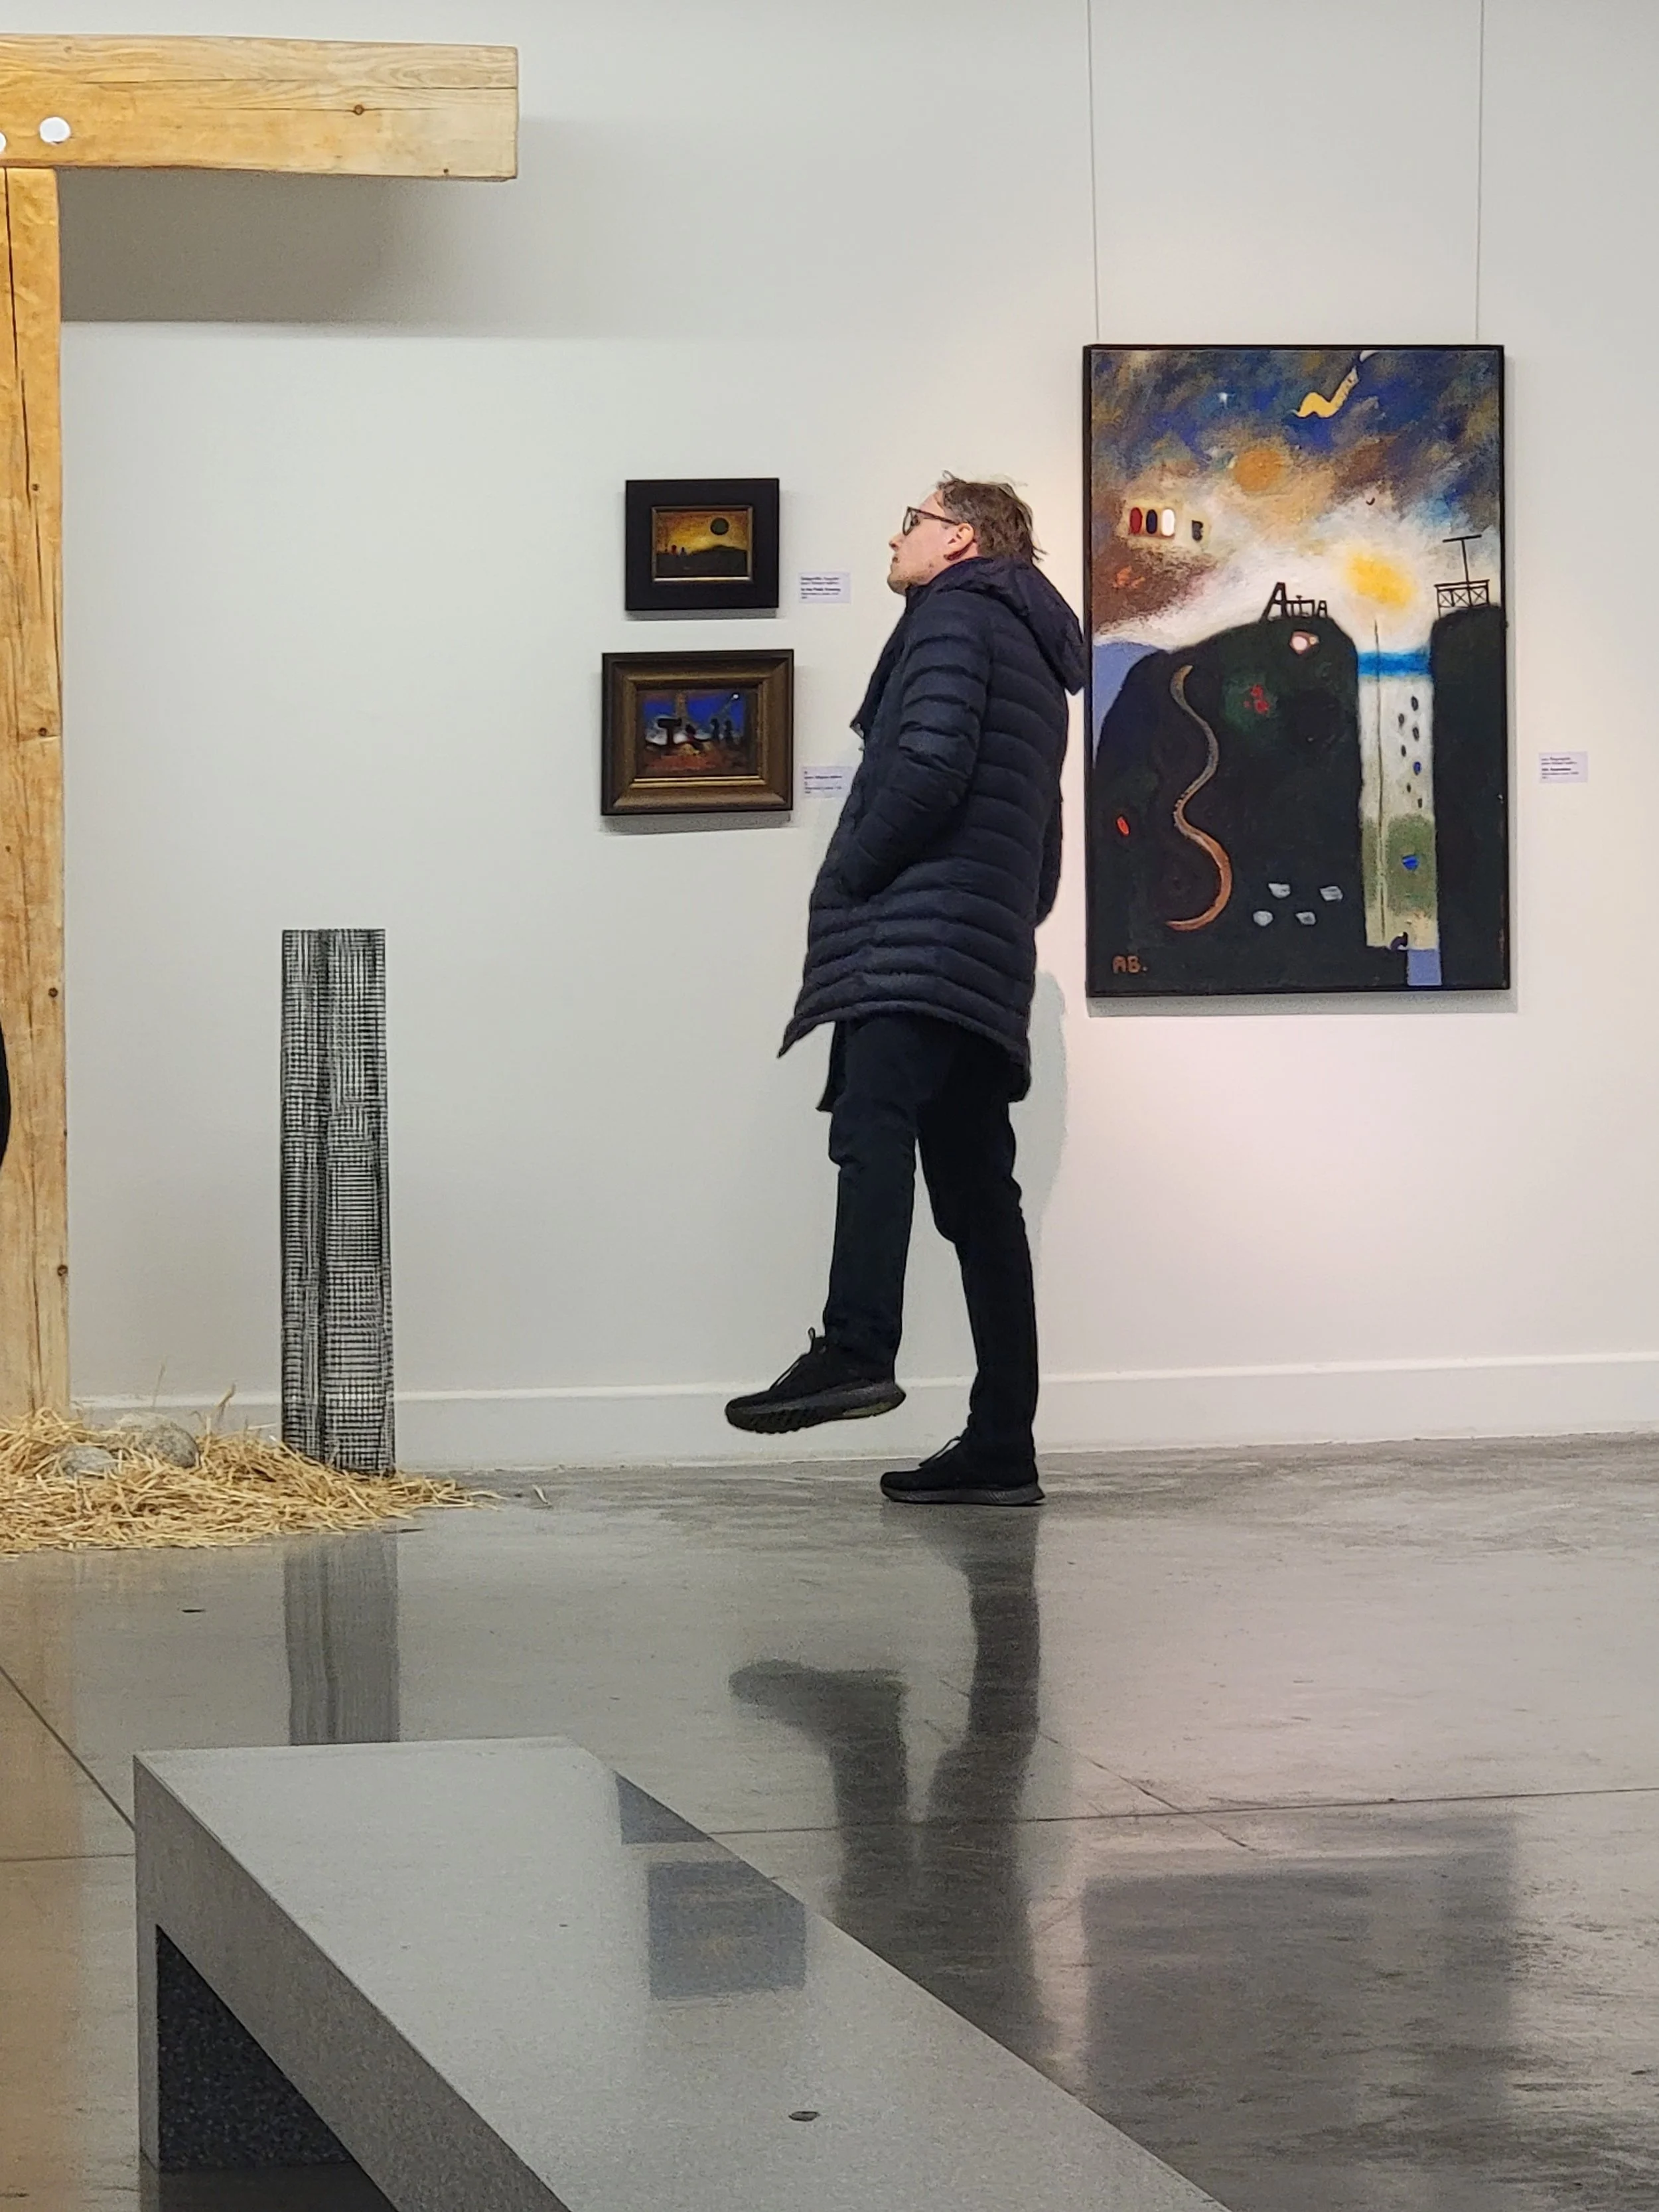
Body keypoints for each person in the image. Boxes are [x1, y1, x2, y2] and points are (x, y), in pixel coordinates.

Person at [725, 476, 1084, 1505]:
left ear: (960, 538)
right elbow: (1046, 849)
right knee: (980, 1200)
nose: (895, 537)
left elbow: (924, 767)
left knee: (871, 1126)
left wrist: (852, 874)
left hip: (916, 940)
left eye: (913, 522)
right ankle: (1001, 1445)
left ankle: (856, 1347)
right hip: (981, 948)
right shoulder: (1031, 650)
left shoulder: (954, 615)